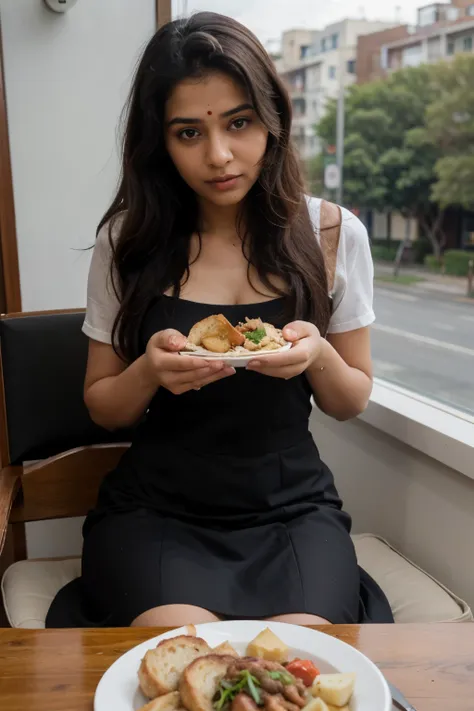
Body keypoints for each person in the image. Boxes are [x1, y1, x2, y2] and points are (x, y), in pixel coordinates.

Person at [46, 11, 393, 628]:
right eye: (188, 133)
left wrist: (316, 355)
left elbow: (351, 400)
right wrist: (150, 371)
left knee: (295, 658)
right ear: (160, 141)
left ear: (273, 118)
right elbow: (104, 406)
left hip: (292, 508)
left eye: (240, 123)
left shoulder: (333, 233)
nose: (220, 155)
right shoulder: (127, 241)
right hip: (157, 509)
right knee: (187, 653)